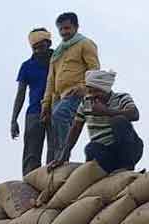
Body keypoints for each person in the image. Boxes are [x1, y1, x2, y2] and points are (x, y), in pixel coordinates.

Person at [49, 69, 142, 173]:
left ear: (105, 89)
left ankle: (127, 168)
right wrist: (64, 155)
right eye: (90, 91)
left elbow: (134, 114)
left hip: (129, 150)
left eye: (96, 91)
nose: (92, 95)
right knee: (90, 148)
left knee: (119, 121)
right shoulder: (85, 103)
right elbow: (75, 129)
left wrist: (106, 111)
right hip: (107, 154)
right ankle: (110, 171)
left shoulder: (121, 98)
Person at [41, 12, 100, 161]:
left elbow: (95, 70)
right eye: (60, 29)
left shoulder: (85, 44)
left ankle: (63, 156)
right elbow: (50, 81)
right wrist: (45, 106)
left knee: (60, 115)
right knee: (54, 128)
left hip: (77, 94)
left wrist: (84, 88)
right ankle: (56, 163)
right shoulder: (57, 53)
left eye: (67, 28)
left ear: (76, 27)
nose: (63, 32)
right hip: (58, 97)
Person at [12, 28, 55, 175]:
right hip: (35, 113)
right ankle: (30, 184)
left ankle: (52, 185)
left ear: (48, 43)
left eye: (41, 47)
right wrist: (14, 119)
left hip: (56, 110)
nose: (38, 51)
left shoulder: (59, 60)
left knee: (55, 151)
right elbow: (21, 94)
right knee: (31, 154)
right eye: (34, 48)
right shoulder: (27, 66)